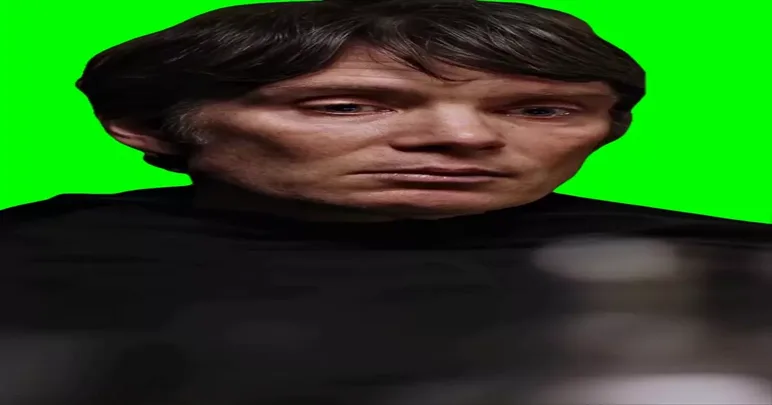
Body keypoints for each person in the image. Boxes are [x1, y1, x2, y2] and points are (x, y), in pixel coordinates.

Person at [1, 0, 770, 404]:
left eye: (542, 110)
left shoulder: (737, 259)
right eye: (346, 106)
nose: (465, 138)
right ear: (142, 124)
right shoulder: (30, 258)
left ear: (609, 127)